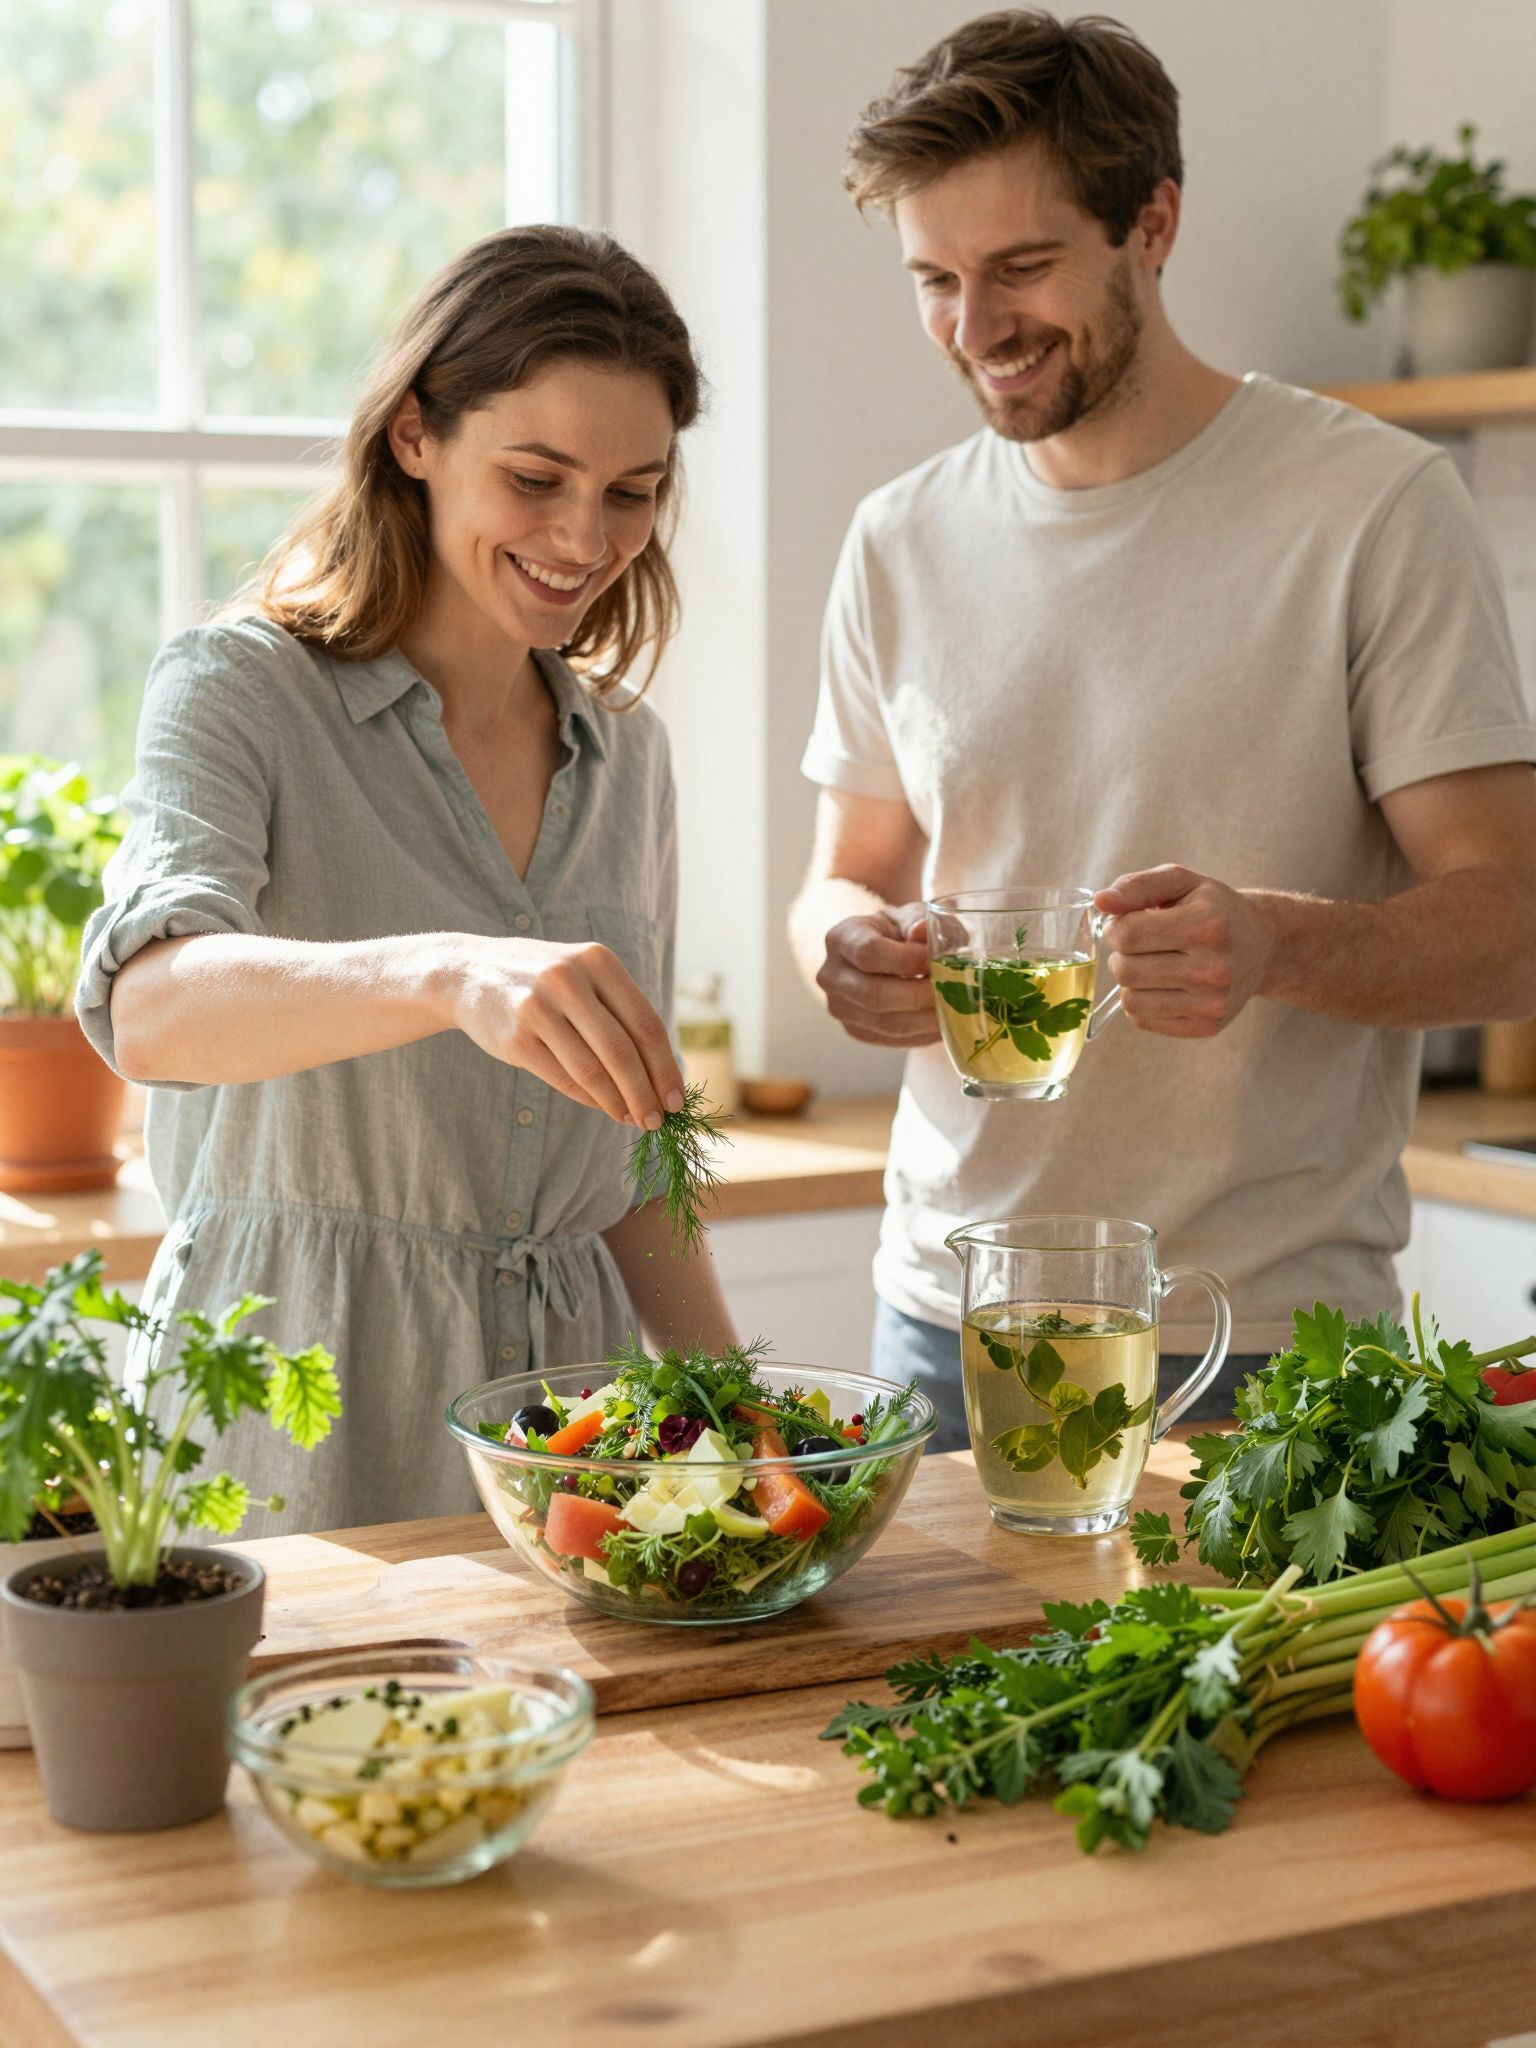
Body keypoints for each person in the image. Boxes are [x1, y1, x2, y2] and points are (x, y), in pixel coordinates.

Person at [789, 10, 1536, 1449]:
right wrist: (844, 946)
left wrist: (1279, 945)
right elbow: (846, 872)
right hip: (948, 1315)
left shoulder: (1373, 508)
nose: (975, 329)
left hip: (1259, 1343)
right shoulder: (899, 537)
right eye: (935, 279)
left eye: (1021, 267)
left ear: (1154, 223)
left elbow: (1515, 926)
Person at [78, 225, 738, 1531]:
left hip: (569, 1434)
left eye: (632, 491)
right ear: (415, 435)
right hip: (295, 1419)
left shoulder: (629, 756)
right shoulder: (239, 689)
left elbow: (629, 1156)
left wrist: (741, 1411)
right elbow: (150, 1010)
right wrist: (444, 974)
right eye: (536, 478)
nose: (586, 536)